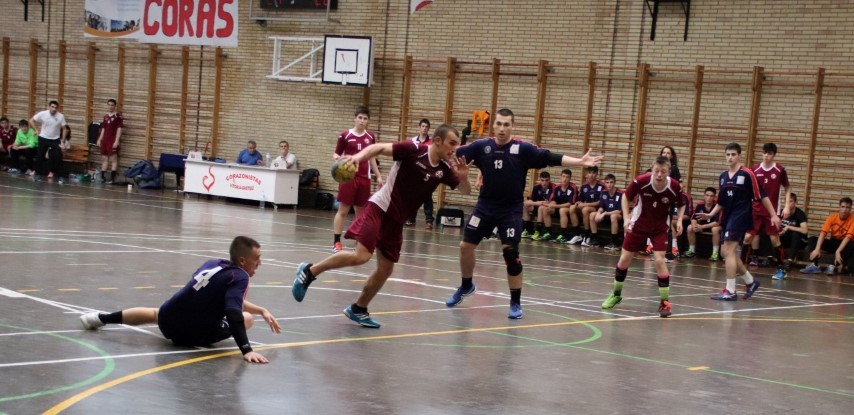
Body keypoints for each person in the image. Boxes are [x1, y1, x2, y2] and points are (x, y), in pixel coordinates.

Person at [292, 124, 472, 328]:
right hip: (379, 208)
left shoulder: (444, 169)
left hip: (396, 221)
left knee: (385, 269)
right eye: (452, 143)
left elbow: (465, 191)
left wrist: (464, 178)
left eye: (456, 145)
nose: (454, 149)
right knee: (361, 256)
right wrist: (357, 158)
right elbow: (377, 148)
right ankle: (309, 271)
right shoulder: (413, 150)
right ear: (438, 141)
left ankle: (358, 309)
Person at [444, 108, 602, 319]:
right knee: (465, 246)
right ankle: (466, 286)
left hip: (510, 209)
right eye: (499, 124)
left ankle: (515, 302)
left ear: (512, 127)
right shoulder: (482, 147)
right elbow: (451, 152)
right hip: (485, 206)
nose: (502, 128)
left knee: (510, 254)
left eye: (506, 124)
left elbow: (549, 157)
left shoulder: (522, 149)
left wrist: (580, 162)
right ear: (494, 126)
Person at [79, 236, 281, 364]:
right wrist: (246, 350)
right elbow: (233, 311)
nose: (260, 263)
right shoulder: (240, 277)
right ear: (243, 261)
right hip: (190, 335)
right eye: (257, 259)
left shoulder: (213, 264)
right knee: (247, 319)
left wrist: (261, 309)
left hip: (167, 320)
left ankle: (98, 318)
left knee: (155, 313)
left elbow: (224, 297)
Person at [601, 156, 685, 317]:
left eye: (663, 171)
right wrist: (626, 218)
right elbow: (625, 197)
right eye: (656, 171)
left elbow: (682, 204)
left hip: (660, 227)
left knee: (659, 260)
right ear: (652, 170)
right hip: (638, 224)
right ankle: (616, 294)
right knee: (624, 258)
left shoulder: (674, 186)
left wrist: (679, 220)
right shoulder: (641, 181)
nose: (659, 174)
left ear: (668, 172)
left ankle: (665, 303)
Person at [696, 143, 781, 301]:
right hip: (727, 217)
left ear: (739, 156)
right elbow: (721, 202)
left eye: (733, 154)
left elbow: (762, 195)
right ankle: (751, 281)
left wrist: (773, 215)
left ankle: (730, 290)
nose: (730, 157)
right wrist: (710, 215)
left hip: (741, 216)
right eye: (728, 154)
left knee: (728, 251)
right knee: (725, 252)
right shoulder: (723, 176)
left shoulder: (748, 174)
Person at [332, 106, 384, 252]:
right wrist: (340, 160)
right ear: (355, 118)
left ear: (368, 121)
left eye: (365, 118)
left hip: (364, 178)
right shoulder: (345, 135)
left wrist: (378, 175)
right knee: (343, 210)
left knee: (361, 213)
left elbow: (371, 157)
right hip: (348, 178)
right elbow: (336, 154)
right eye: (360, 118)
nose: (362, 121)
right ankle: (336, 242)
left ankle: (359, 241)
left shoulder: (370, 137)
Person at [741, 143, 791, 279]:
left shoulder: (779, 170)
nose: (766, 156)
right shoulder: (754, 169)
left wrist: (787, 206)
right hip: (755, 210)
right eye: (764, 153)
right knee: (747, 237)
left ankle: (781, 269)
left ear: (774, 155)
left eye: (769, 153)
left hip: (772, 212)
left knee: (774, 239)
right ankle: (741, 268)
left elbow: (787, 187)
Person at [800, 197, 854, 276]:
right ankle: (815, 265)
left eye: (847, 207)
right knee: (812, 239)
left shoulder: (852, 219)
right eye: (843, 207)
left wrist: (838, 251)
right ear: (839, 207)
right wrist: (817, 249)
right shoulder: (832, 217)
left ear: (850, 209)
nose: (844, 209)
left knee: (852, 245)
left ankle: (832, 266)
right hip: (834, 241)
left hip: (845, 244)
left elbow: (848, 237)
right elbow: (823, 233)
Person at [406, 118, 436, 229]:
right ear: (419, 127)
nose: (424, 128)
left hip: (427, 173)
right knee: (413, 197)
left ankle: (429, 220)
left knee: (427, 197)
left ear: (429, 129)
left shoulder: (432, 142)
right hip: (415, 173)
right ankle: (411, 218)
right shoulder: (413, 141)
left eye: (426, 127)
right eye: (423, 126)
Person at [29, 100, 68, 184]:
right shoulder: (43, 114)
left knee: (58, 157)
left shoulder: (61, 116)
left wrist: (63, 141)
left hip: (55, 139)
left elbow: (65, 129)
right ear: (49, 107)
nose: (54, 109)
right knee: (40, 156)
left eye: (56, 108)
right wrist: (36, 130)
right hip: (43, 137)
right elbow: (31, 120)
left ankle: (61, 176)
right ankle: (38, 174)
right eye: (52, 107)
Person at [683, 187, 722, 260]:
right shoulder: (700, 204)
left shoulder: (717, 206)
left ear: (714, 197)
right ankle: (691, 250)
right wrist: (695, 225)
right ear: (704, 195)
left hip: (713, 226)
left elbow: (717, 222)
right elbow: (693, 218)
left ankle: (715, 253)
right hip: (702, 226)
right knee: (690, 227)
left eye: (711, 196)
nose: (709, 198)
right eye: (707, 195)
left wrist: (702, 227)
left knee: (715, 229)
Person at [568, 166, 605, 245]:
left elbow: (600, 202)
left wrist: (585, 204)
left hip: (597, 209)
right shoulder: (584, 186)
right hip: (586, 207)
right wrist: (578, 203)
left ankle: (587, 235)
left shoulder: (602, 186)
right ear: (587, 174)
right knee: (572, 208)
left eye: (593, 173)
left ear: (597, 174)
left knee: (585, 209)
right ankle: (577, 234)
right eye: (589, 173)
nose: (591, 175)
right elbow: (580, 199)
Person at [587, 173, 623, 249]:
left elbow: (618, 211)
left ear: (615, 183)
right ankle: (595, 239)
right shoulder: (603, 192)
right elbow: (601, 207)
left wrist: (605, 213)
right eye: (607, 182)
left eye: (611, 182)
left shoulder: (620, 193)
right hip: (606, 216)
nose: (609, 184)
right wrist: (599, 213)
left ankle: (614, 242)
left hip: (617, 217)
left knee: (613, 216)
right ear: (605, 183)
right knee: (592, 214)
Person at [777, 193, 809, 278]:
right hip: (786, 239)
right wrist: (779, 232)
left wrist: (789, 227)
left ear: (795, 202)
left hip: (799, 241)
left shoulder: (800, 214)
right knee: (770, 233)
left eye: (790, 201)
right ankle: (771, 258)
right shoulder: (781, 212)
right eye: (786, 201)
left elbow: (805, 230)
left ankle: (789, 261)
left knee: (796, 233)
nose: (788, 204)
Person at [95, 99, 123, 183]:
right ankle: (102, 177)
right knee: (104, 158)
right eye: (109, 105)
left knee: (113, 159)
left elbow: (119, 129)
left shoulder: (118, 116)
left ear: (115, 106)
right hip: (105, 140)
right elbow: (103, 129)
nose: (110, 107)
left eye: (112, 105)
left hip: (112, 139)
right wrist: (99, 139)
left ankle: (112, 178)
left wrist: (116, 141)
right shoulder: (106, 116)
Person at [522, 171, 556, 241]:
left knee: (541, 207)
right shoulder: (536, 187)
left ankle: (538, 232)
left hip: (549, 208)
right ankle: (527, 230)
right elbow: (530, 201)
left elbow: (547, 203)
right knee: (525, 205)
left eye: (546, 180)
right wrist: (538, 203)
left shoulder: (553, 188)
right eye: (542, 180)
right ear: (540, 180)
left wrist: (538, 203)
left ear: (549, 180)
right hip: (538, 206)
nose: (544, 183)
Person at [548, 169, 579, 244]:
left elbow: (570, 203)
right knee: (545, 209)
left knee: (562, 210)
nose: (565, 179)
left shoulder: (573, 187)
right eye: (563, 176)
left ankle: (563, 234)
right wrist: (552, 204)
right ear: (560, 177)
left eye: (567, 177)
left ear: (570, 178)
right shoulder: (557, 187)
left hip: (571, 209)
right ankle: (548, 233)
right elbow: (552, 199)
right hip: (559, 208)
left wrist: (556, 206)